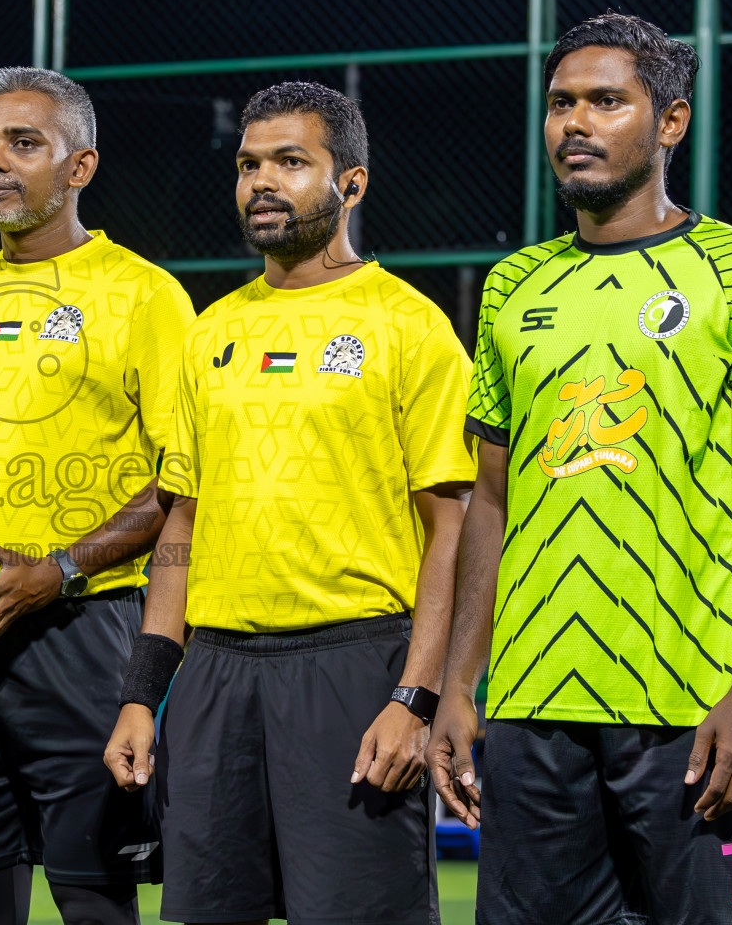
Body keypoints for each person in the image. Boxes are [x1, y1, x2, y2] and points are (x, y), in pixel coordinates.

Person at [427, 12, 732, 924]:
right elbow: (489, 501)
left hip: (689, 704)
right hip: (529, 707)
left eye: (606, 101)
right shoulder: (515, 286)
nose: (575, 123)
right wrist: (457, 685)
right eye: (561, 103)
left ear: (669, 122)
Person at [103, 81, 475, 924]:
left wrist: (415, 698)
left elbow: (448, 530)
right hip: (215, 678)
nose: (261, 181)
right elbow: (181, 526)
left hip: (355, 668)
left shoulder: (407, 326)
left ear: (352, 183)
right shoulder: (211, 332)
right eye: (248, 164)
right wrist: (141, 692)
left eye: (290, 162)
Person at [0, 66, 194, 925]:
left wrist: (57, 570)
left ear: (80, 167)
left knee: (93, 900)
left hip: (86, 628)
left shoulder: (146, 296)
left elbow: (177, 483)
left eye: (25, 143)